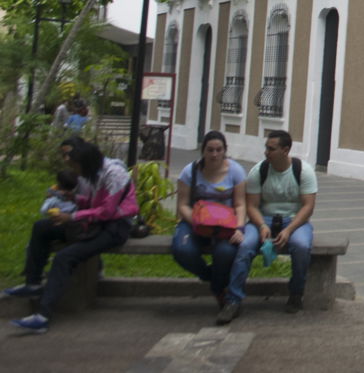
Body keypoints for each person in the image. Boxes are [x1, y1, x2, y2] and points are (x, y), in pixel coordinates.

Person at [5, 137, 138, 334]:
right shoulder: (93, 174)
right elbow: (93, 203)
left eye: (75, 164)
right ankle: (32, 283)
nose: (74, 170)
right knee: (41, 227)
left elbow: (106, 212)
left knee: (65, 257)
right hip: (95, 222)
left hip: (115, 228)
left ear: (86, 162)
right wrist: (73, 198)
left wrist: (72, 216)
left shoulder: (114, 174)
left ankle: (42, 316)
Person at [218, 130, 317, 323]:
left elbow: (308, 207)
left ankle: (296, 293)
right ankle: (233, 300)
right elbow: (252, 206)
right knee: (245, 246)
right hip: (264, 219)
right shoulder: (259, 171)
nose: (266, 152)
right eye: (266, 147)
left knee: (302, 247)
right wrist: (262, 225)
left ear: (285, 150)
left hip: (294, 221)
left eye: (271, 149)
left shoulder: (303, 171)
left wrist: (289, 230)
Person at [171, 131, 246, 310]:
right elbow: (182, 206)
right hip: (195, 222)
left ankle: (218, 289)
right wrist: (199, 223)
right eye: (210, 150)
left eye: (219, 150)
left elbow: (240, 204)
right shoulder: (190, 172)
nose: (214, 154)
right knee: (182, 250)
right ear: (203, 151)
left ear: (225, 151)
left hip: (225, 225)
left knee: (225, 252)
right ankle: (212, 277)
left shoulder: (236, 171)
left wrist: (240, 227)